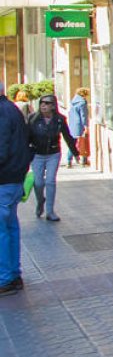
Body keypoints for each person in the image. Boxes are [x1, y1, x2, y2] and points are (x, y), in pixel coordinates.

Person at [1, 85, 34, 297]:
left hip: (4, 179)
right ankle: (13, 274)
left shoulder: (3, 112)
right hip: (13, 178)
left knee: (2, 230)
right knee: (10, 227)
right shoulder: (10, 108)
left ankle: (5, 278)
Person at [27, 94, 78, 222]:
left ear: (53, 106)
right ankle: (40, 202)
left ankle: (50, 211)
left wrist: (75, 153)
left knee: (50, 181)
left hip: (53, 154)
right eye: (41, 103)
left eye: (47, 103)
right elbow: (25, 138)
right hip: (37, 154)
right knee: (38, 183)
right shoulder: (33, 119)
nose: (43, 105)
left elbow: (67, 136)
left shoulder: (59, 120)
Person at [67, 88, 89, 168]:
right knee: (83, 142)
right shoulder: (82, 103)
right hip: (80, 124)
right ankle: (83, 160)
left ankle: (69, 161)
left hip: (72, 124)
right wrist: (86, 126)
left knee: (72, 142)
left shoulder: (73, 102)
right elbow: (83, 115)